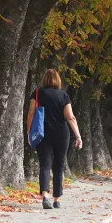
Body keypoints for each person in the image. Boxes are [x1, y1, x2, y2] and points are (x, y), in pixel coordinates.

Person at [26, 69, 83, 210]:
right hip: (61, 135)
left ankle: (45, 196)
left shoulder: (38, 93)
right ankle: (57, 199)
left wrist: (29, 132)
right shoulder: (64, 96)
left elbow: (31, 113)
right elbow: (70, 117)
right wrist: (78, 135)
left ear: (45, 79)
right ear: (58, 80)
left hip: (43, 133)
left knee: (45, 165)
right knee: (59, 166)